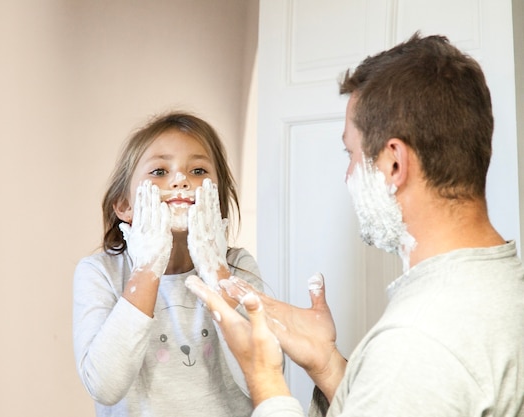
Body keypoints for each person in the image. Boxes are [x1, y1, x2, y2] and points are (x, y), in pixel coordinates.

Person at [185, 33, 524, 416]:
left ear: (394, 163)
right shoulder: (497, 283)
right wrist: (326, 364)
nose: (347, 175)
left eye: (352, 153)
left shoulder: (416, 342)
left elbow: (412, 377)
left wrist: (263, 376)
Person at [73, 111, 264, 417]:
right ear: (124, 205)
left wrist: (216, 271)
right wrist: (147, 267)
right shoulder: (99, 273)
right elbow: (105, 386)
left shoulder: (237, 268)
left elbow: (260, 379)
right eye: (160, 171)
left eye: (198, 170)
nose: (180, 180)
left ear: (218, 197)